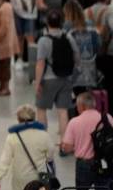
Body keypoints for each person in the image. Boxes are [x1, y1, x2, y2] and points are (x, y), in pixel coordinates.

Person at [61, 92, 113, 190]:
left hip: (83, 164)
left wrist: (69, 145)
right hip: (103, 164)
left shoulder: (74, 122)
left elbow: (67, 147)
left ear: (82, 106)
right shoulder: (106, 118)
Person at [34, 9, 79, 142]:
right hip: (65, 78)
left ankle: (43, 141)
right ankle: (64, 143)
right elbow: (77, 57)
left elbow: (40, 63)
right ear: (61, 22)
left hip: (48, 80)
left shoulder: (43, 40)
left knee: (41, 109)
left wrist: (37, 83)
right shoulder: (68, 37)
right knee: (63, 111)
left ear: (47, 22)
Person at [0, 106, 54, 190]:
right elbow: (50, 154)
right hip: (38, 178)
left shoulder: (12, 137)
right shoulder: (43, 135)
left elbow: (5, 160)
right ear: (34, 118)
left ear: (18, 119)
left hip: (20, 181)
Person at [64, 0, 99, 94]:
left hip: (75, 67)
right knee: (88, 95)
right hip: (90, 66)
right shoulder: (90, 24)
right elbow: (97, 45)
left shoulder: (67, 26)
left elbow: (65, 48)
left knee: (77, 95)